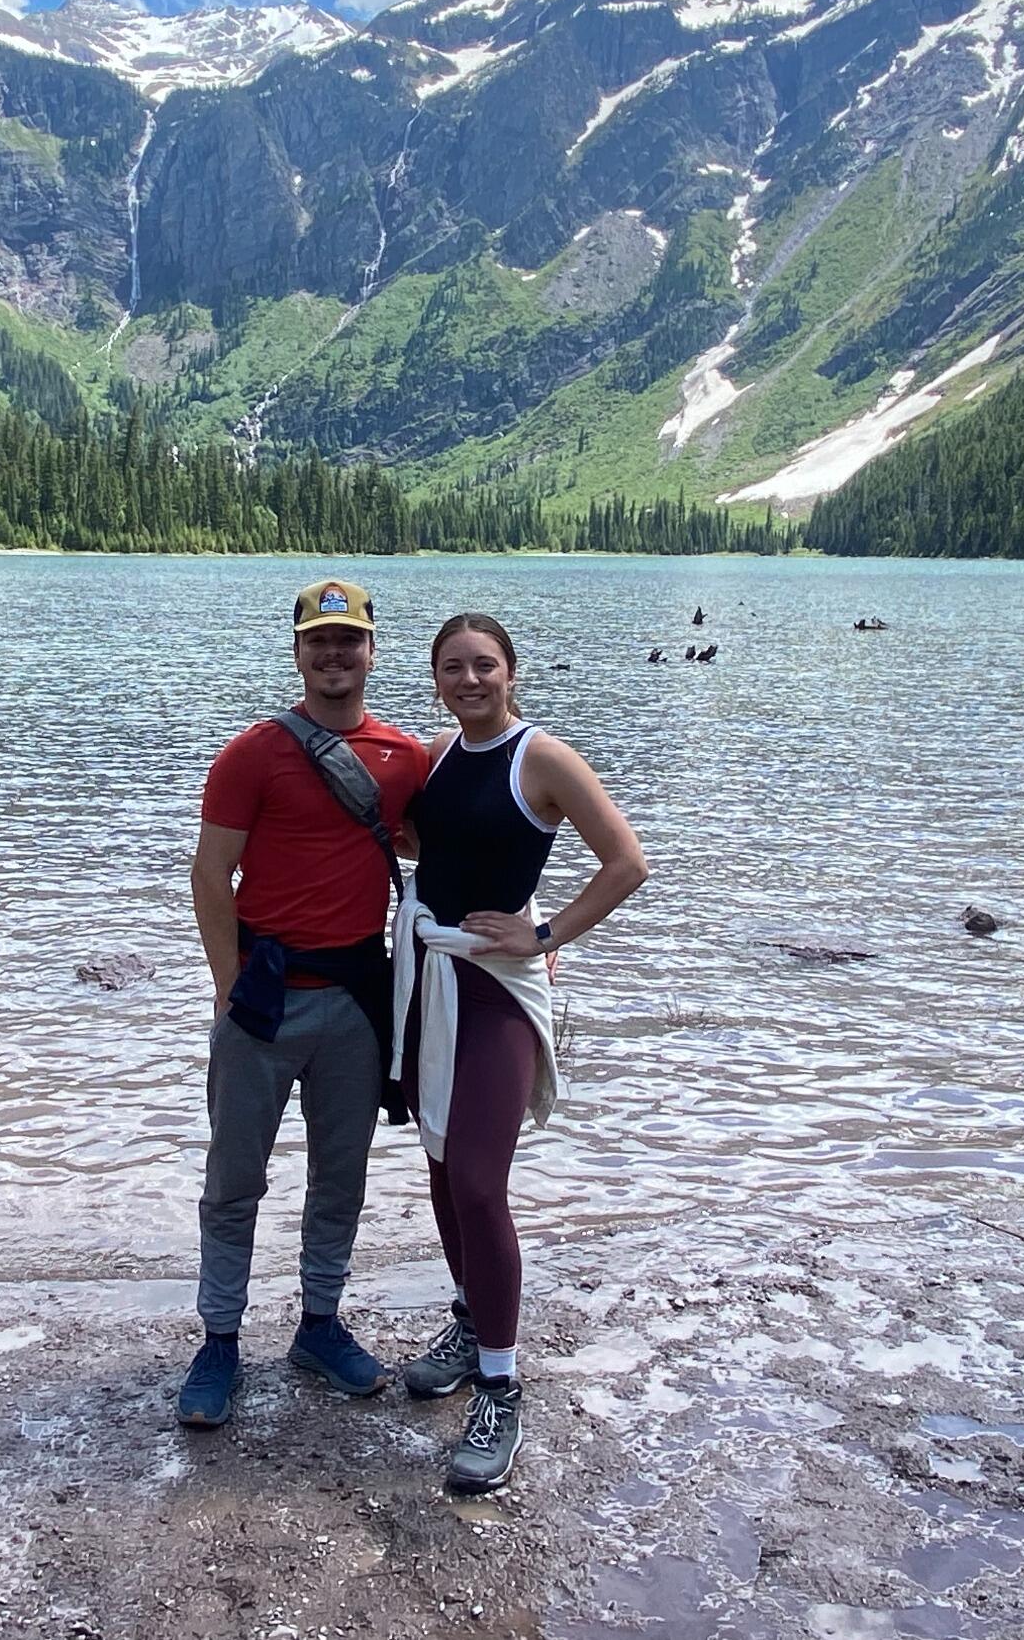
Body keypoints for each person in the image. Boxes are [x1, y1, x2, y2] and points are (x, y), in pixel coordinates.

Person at [392, 612, 648, 1491]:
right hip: (431, 978)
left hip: (498, 984)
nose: (470, 680)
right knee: (436, 1167)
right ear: (434, 679)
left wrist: (544, 931)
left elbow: (626, 862)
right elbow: (425, 841)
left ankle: (500, 1386)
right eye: (453, 668)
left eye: (485, 666)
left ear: (512, 673)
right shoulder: (433, 754)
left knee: (476, 1180)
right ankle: (469, 1323)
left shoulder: (541, 756)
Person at [176, 578, 431, 1428]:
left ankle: (319, 1325)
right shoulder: (250, 754)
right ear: (297, 651)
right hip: (266, 996)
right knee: (234, 1178)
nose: (334, 654)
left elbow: (446, 856)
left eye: (348, 639)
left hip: (358, 996)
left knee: (341, 1176)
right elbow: (211, 877)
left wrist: (529, 942)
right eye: (319, 641)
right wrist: (226, 986)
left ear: (371, 650)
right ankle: (219, 1339)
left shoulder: (402, 758)